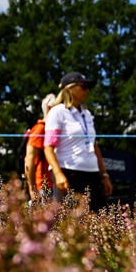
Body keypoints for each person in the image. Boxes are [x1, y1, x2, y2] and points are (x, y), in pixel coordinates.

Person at [43, 71, 113, 211]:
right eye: (83, 87)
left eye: (88, 87)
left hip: (91, 174)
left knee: (94, 222)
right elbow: (48, 147)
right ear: (69, 88)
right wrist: (58, 174)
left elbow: (94, 146)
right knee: (63, 222)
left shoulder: (87, 114)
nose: (87, 91)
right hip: (68, 173)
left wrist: (104, 176)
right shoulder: (57, 112)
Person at [24, 93, 59, 202]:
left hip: (57, 185)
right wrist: (32, 190)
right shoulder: (40, 129)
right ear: (49, 108)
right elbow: (29, 161)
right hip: (45, 187)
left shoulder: (54, 129)